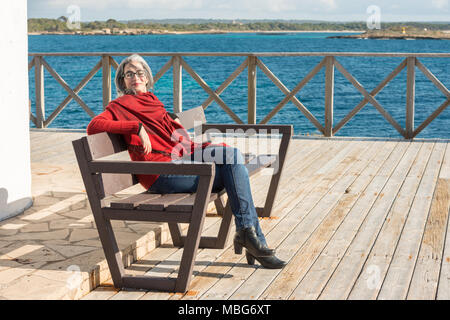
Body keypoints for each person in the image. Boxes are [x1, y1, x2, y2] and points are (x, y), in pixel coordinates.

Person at [87, 54, 286, 269]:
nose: (135, 77)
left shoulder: (153, 101)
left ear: (147, 77)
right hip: (160, 174)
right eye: (129, 74)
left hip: (179, 160)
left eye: (139, 72)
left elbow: (162, 128)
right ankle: (253, 240)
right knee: (237, 174)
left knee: (233, 158)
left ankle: (250, 236)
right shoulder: (120, 105)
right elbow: (94, 126)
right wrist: (135, 127)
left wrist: (168, 119)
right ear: (123, 81)